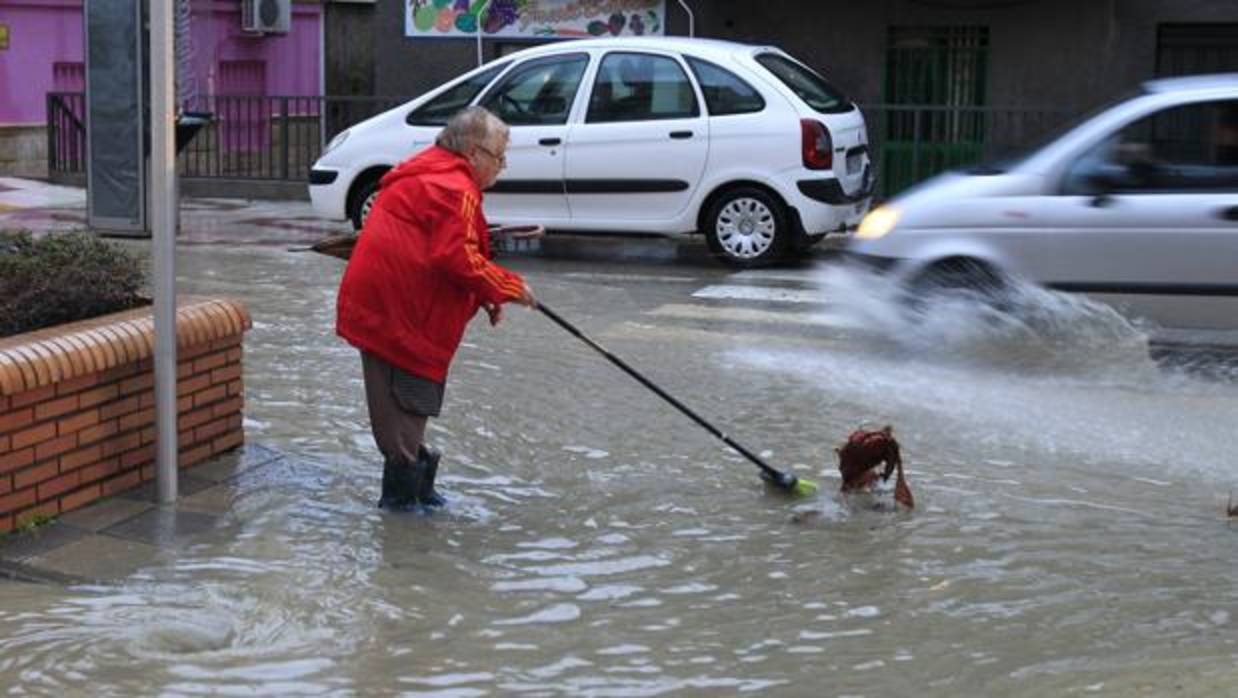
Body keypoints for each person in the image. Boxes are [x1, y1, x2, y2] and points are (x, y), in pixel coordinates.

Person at [336, 106, 536, 511]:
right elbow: (457, 258)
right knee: (401, 416)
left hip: (398, 309)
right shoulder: (452, 187)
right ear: (474, 152)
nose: (502, 166)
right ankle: (403, 523)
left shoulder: (438, 176)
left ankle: (418, 498)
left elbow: (448, 250)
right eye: (499, 157)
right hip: (396, 314)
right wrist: (509, 287)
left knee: (411, 405)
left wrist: (485, 296)